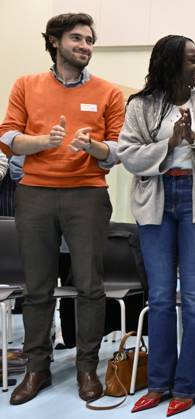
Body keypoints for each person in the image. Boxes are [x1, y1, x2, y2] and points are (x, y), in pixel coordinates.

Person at [0, 13, 124, 404]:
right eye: (76, 39)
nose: (85, 46)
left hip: (86, 194)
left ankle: (87, 368)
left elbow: (120, 149)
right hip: (34, 193)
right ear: (55, 41)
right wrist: (43, 142)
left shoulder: (109, 91)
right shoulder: (26, 84)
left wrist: (95, 148)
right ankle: (37, 369)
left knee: (90, 285)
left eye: (89, 40)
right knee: (38, 287)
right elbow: (7, 136)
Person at [117, 35, 195, 416]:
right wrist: (169, 144)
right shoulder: (141, 105)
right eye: (192, 61)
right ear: (170, 62)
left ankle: (190, 386)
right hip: (156, 200)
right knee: (161, 297)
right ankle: (158, 383)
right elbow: (130, 156)